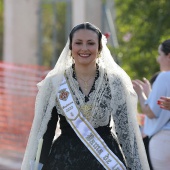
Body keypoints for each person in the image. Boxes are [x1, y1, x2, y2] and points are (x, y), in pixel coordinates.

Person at [21, 22, 149, 170]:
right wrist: (36, 165)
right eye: (78, 43)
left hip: (105, 161)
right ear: (70, 47)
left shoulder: (115, 82)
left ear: (99, 47)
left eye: (90, 43)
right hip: (64, 160)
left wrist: (134, 166)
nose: (84, 48)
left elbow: (126, 131)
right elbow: (46, 132)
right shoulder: (54, 83)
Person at [132, 39, 170, 170]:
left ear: (168, 56)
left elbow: (151, 112)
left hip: (164, 139)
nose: (158, 59)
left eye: (160, 54)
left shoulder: (164, 77)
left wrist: (141, 94)